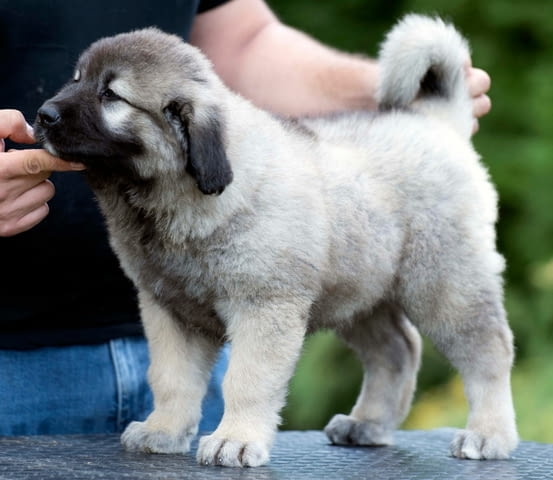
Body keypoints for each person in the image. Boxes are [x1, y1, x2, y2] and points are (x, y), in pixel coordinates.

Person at [0, 0, 491, 435]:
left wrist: (386, 92)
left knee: (454, 304)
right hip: (13, 365)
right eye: (79, 80)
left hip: (195, 374)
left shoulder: (232, 178)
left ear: (190, 131)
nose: (58, 105)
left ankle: (493, 410)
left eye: (109, 96)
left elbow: (245, 41)